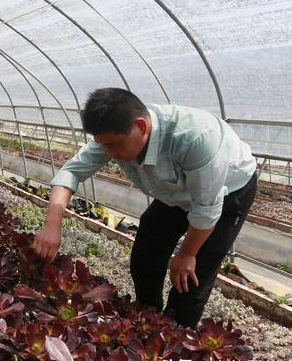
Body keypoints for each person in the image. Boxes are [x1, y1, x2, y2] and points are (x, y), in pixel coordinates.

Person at [31, 88, 257, 328]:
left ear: (141, 126)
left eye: (114, 145)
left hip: (227, 192)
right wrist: (52, 224)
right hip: (175, 193)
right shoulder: (116, 133)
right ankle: (148, 320)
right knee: (146, 254)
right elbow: (72, 171)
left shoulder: (195, 138)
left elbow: (206, 208)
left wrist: (187, 253)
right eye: (103, 145)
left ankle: (177, 336)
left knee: (192, 274)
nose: (109, 153)